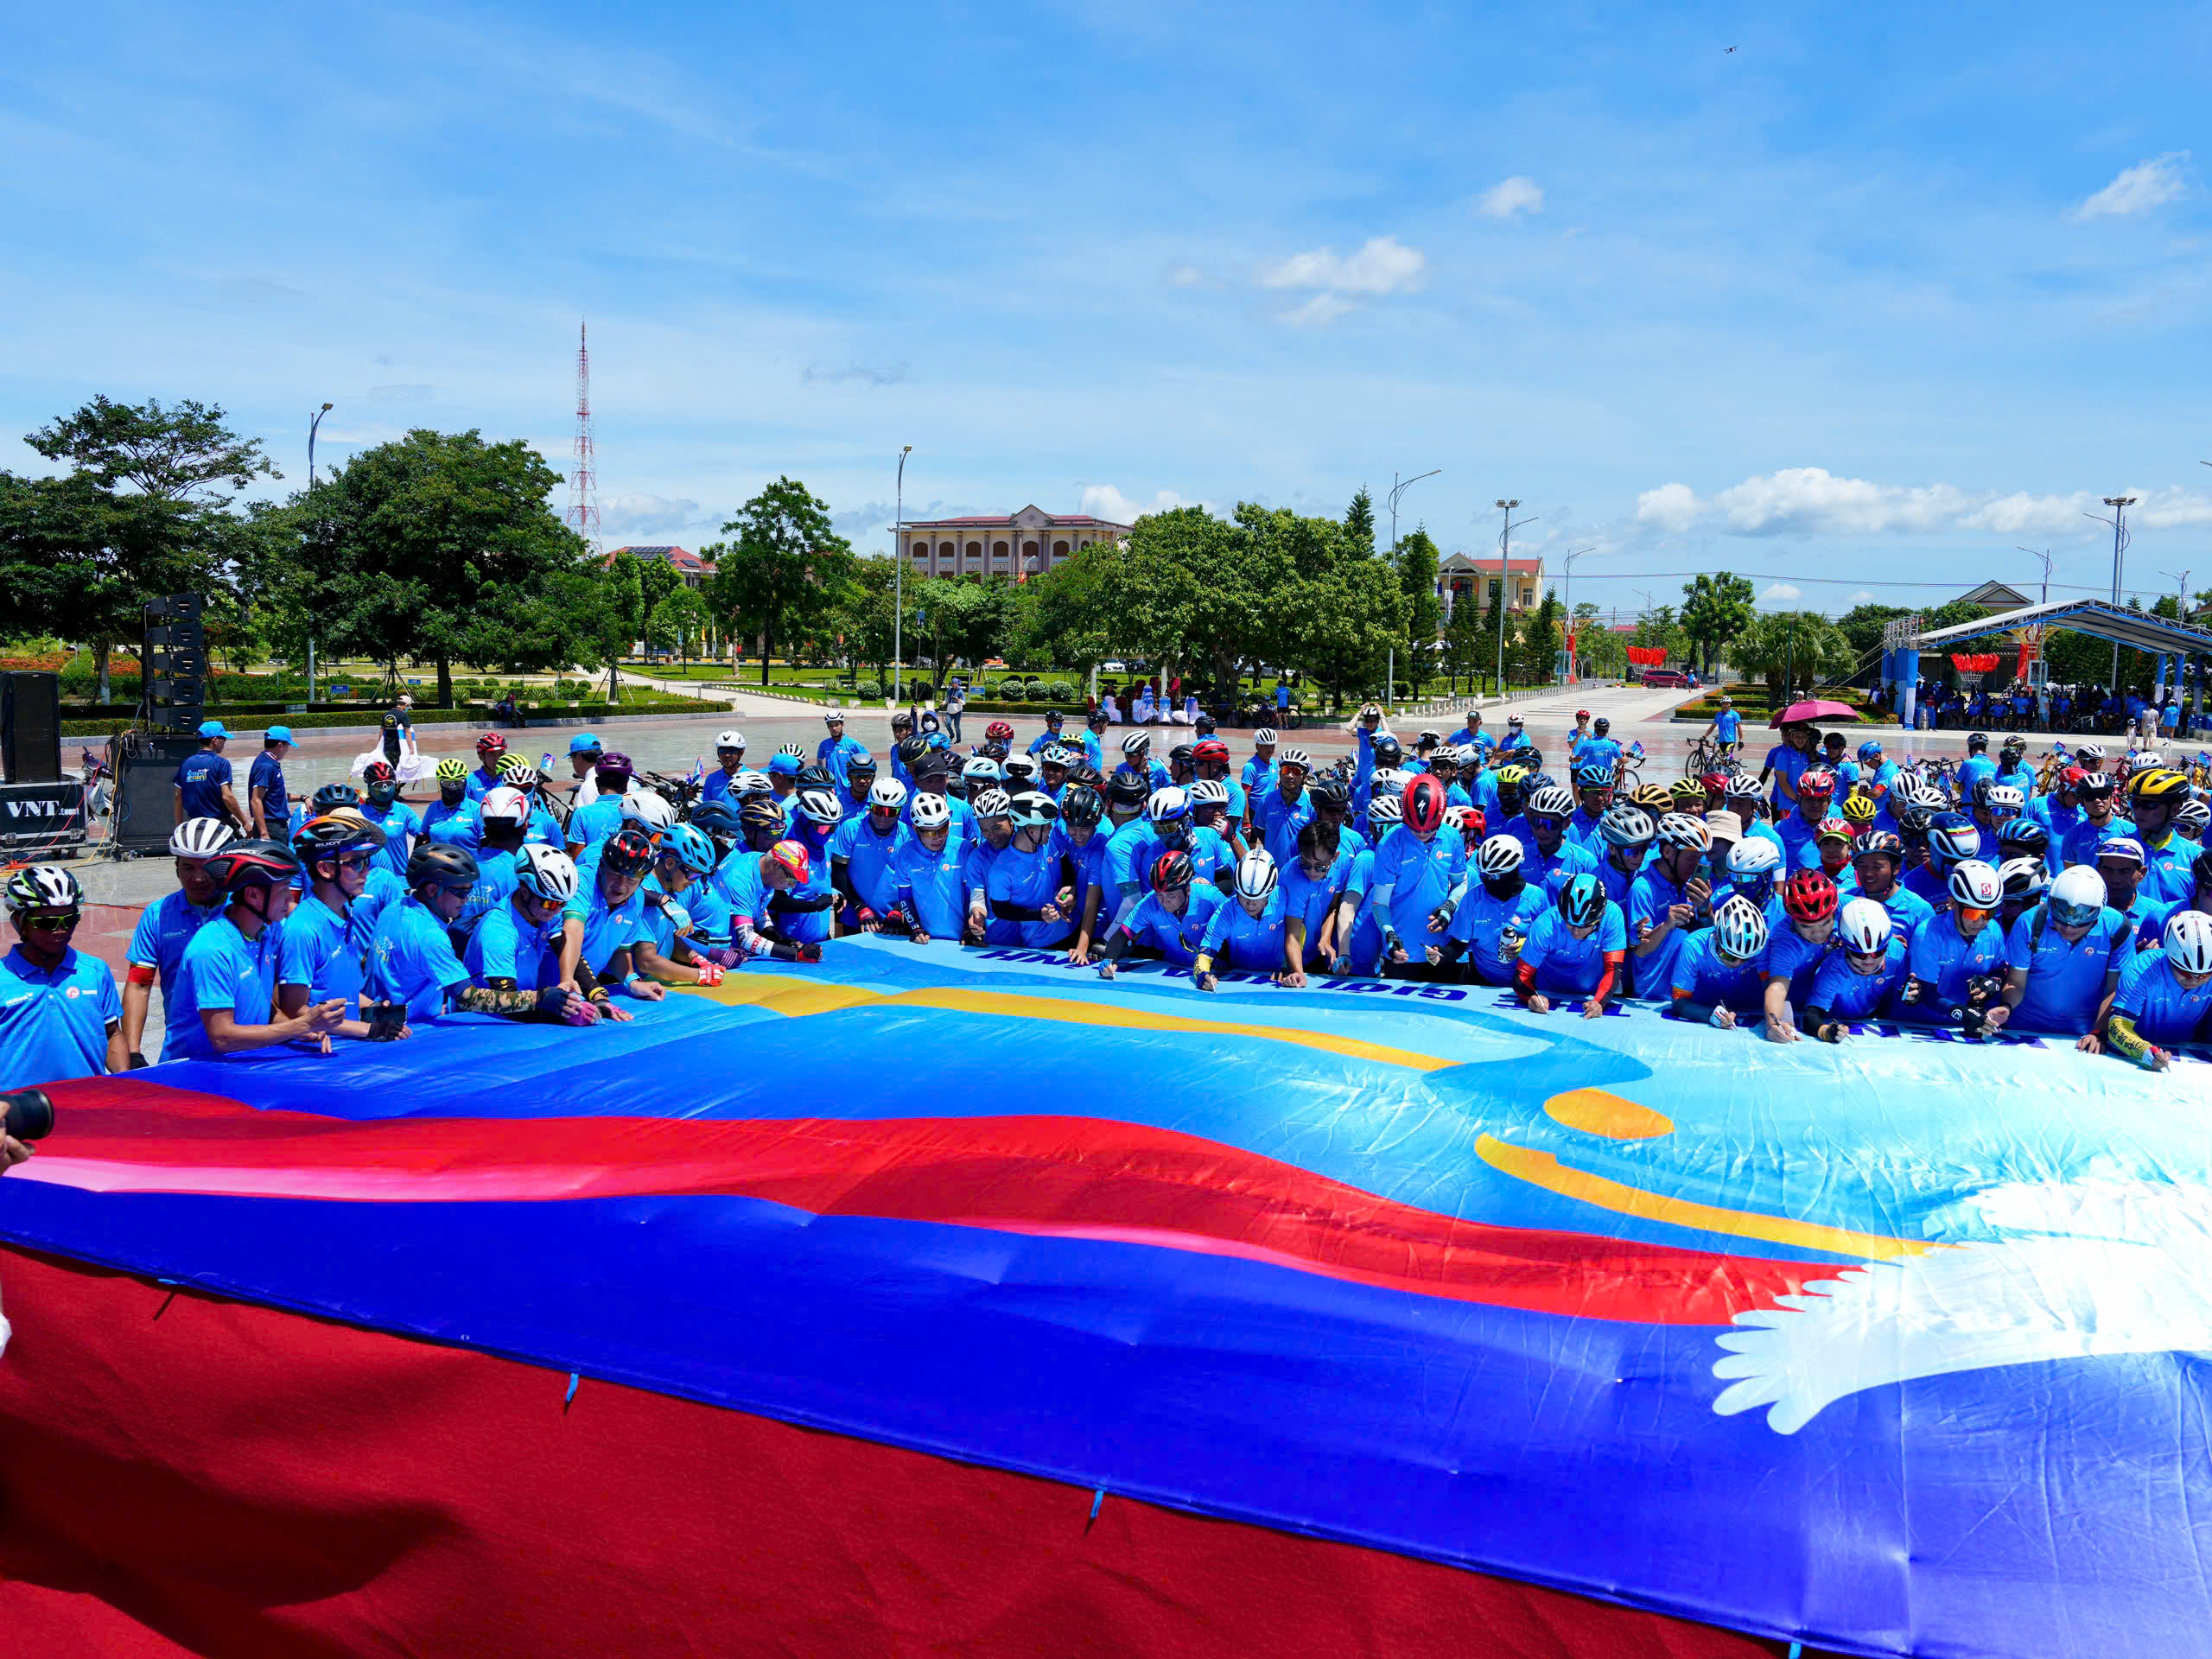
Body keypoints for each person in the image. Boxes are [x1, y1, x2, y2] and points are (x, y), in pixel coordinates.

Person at [173, 840, 348, 1058]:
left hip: (240, 1065)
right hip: (191, 1075)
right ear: (253, 895)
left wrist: (304, 1031)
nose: (290, 899)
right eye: (283, 890)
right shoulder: (211, 950)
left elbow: (263, 1005)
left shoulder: (266, 932)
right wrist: (301, 1025)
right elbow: (222, 1036)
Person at [120, 818, 235, 1066]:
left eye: (207, 868)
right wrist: (132, 1052)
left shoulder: (249, 911)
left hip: (243, 1052)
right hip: (181, 1054)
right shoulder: (157, 915)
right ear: (175, 866)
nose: (198, 878)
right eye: (187, 868)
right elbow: (139, 985)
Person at [1, 866, 125, 1090]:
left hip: (88, 1106)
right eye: (47, 923)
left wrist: (126, 1083)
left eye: (69, 920)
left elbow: (112, 1033)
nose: (60, 930)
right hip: (18, 1114)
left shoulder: (95, 971)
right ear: (20, 922)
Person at [1902, 861, 2007, 1035]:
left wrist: (1992, 983)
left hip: (1966, 1025)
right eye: (1972, 913)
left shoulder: (1993, 929)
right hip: (1921, 1024)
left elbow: (1998, 970)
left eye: (1988, 913)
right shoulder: (1928, 934)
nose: (1981, 922)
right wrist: (1963, 1013)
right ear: (1951, 903)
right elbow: (1925, 993)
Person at [2103, 912, 2212, 1069]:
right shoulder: (2142, 968)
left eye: (2205, 975)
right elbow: (2117, 1026)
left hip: (2189, 1055)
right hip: (2140, 1051)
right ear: (2170, 958)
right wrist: (2144, 1051)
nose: (2194, 980)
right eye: (2185, 973)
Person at [1515, 873, 1628, 1017]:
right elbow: (1521, 976)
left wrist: (1600, 1002)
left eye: (1585, 926)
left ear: (1602, 915)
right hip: (1549, 996)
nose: (1576, 931)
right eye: (1569, 923)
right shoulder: (1545, 924)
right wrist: (1531, 997)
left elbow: (1614, 969)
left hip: (1593, 995)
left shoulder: (1613, 916)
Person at [1096, 850, 1222, 977]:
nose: (1164, 901)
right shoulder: (1150, 903)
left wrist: (1222, 959)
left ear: (1188, 889)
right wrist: (1109, 960)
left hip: (1216, 969)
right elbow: (1122, 935)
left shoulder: (1210, 897)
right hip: (1174, 968)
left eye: (1171, 895)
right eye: (1159, 894)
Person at [1799, 899, 1910, 1040]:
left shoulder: (1897, 952)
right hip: (1835, 1019)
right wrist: (1825, 1031)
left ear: (1887, 945)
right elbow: (1811, 1016)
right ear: (1845, 946)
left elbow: (1904, 994)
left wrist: (1913, 995)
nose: (1869, 960)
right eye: (1860, 954)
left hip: (1874, 1016)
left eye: (1878, 952)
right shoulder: (1834, 967)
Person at [1667, 894, 1771, 1029]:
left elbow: (1773, 988)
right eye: (1730, 956)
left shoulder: (1761, 945)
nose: (1738, 964)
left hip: (1752, 1012)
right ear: (1716, 937)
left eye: (1747, 958)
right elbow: (1678, 1003)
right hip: (1709, 1008)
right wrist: (1710, 1015)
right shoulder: (1693, 946)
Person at [1192, 849, 1287, 988]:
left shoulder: (1285, 899)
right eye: (1243, 896)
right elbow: (1204, 956)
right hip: (1239, 981)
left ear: (1270, 891)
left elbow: (1300, 933)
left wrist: (1289, 965)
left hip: (1277, 980)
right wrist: (1202, 975)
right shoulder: (1225, 913)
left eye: (1257, 898)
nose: (1250, 904)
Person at [175, 720, 248, 833]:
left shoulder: (186, 763)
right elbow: (227, 797)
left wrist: (179, 828)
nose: (225, 742)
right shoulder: (221, 763)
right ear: (215, 740)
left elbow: (178, 797)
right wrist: (245, 823)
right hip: (218, 826)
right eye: (224, 739)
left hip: (195, 826)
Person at [421, 760, 484, 850]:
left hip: (468, 864)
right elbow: (422, 838)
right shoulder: (433, 808)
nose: (453, 788)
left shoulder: (476, 810)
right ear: (441, 785)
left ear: (465, 783)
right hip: (437, 863)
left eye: (457, 783)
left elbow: (486, 845)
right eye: (447, 784)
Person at [248, 726, 295, 840]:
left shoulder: (269, 762)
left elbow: (275, 795)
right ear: (280, 745)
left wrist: (304, 798)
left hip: (274, 825)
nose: (288, 749)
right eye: (288, 745)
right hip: (272, 828)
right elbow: (256, 800)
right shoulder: (266, 766)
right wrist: (264, 834)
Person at [702, 731, 747, 803]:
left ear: (741, 753)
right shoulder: (711, 779)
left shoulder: (753, 777)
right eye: (722, 750)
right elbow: (707, 807)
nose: (727, 755)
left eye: (731, 750)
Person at [467, 732, 510, 801]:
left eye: (501, 753)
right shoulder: (470, 781)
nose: (498, 759)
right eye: (492, 754)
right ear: (481, 757)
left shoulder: (511, 778)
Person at [1700, 696, 1742, 760]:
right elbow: (1712, 727)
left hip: (1730, 741)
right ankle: (1730, 765)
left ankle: (1736, 767)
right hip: (1721, 741)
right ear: (1721, 704)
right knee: (1723, 760)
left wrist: (1741, 740)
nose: (1725, 705)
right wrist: (1704, 736)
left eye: (1727, 704)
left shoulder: (1734, 714)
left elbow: (1739, 728)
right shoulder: (1718, 715)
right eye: (1723, 704)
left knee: (1726, 757)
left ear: (1730, 704)